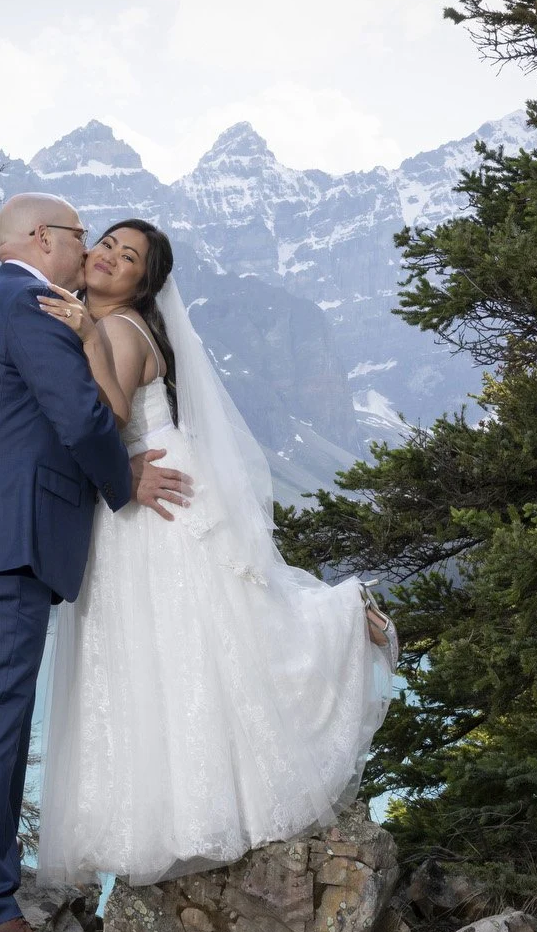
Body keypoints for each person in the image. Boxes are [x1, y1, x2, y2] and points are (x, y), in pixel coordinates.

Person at [33, 219, 398, 888]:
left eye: (129, 257)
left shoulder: (112, 328)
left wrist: (85, 334)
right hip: (162, 482)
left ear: (145, 283)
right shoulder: (127, 324)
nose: (109, 257)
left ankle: (345, 616)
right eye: (107, 245)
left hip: (154, 497)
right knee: (205, 639)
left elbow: (109, 418)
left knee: (175, 643)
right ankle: (204, 803)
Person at [0, 194, 192, 932]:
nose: (87, 247)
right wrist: (125, 480)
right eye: (79, 234)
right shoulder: (32, 302)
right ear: (43, 238)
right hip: (7, 541)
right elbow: (77, 416)